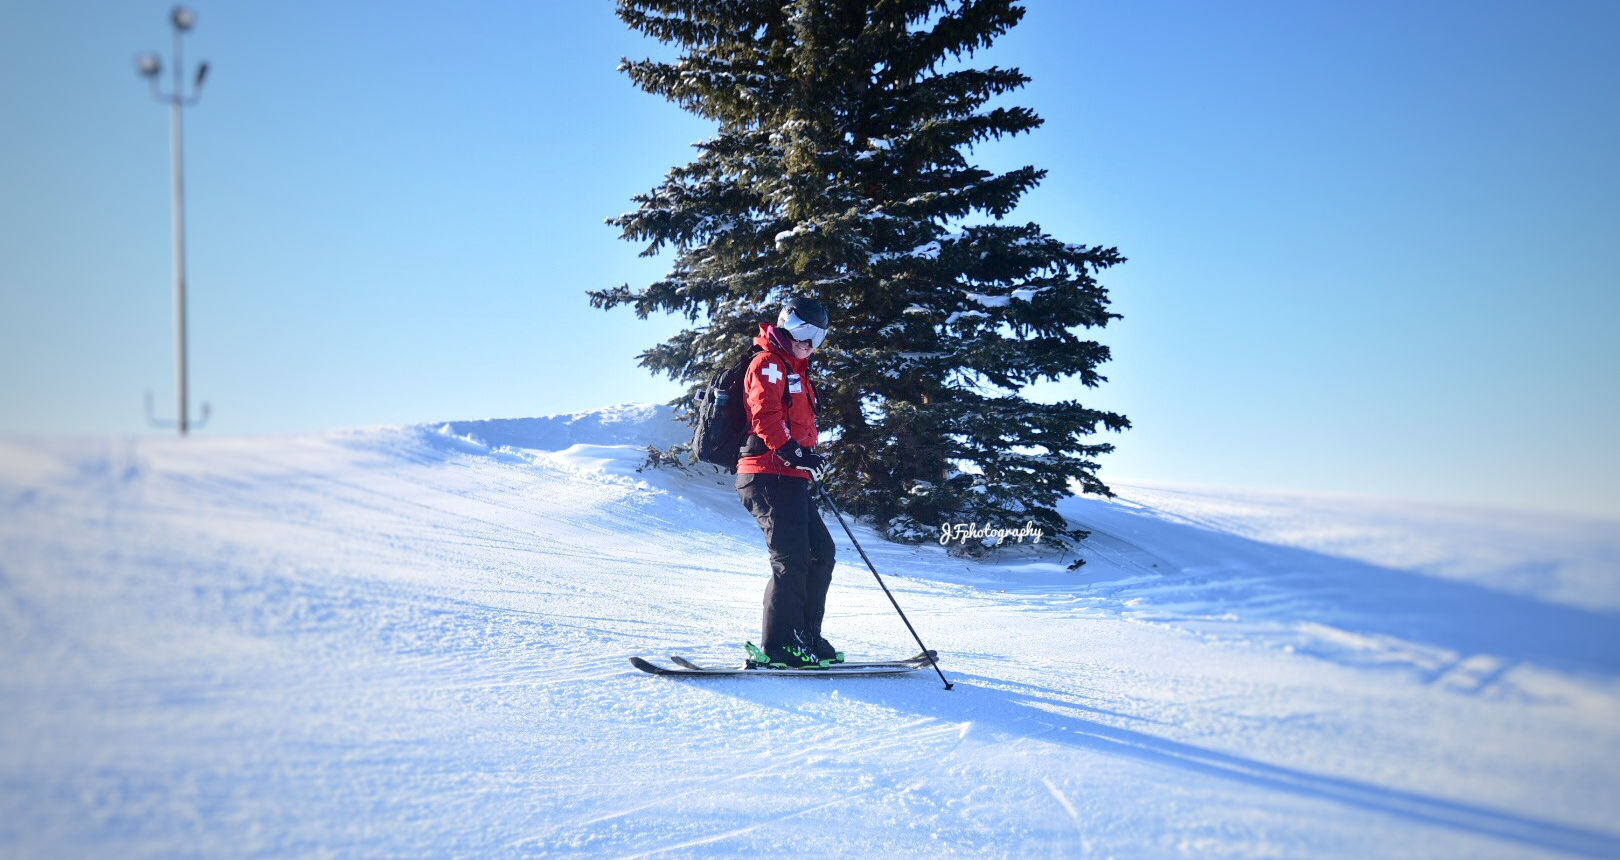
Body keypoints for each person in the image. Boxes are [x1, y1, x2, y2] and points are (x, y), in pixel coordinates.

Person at [736, 297, 842, 669]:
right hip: (766, 473)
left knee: (821, 553)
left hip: (789, 475)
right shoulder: (768, 364)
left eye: (819, 337)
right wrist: (792, 451)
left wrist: (804, 456)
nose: (810, 344)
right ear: (786, 325)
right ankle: (778, 646)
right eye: (804, 333)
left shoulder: (796, 369)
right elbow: (765, 415)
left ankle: (805, 636)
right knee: (791, 558)